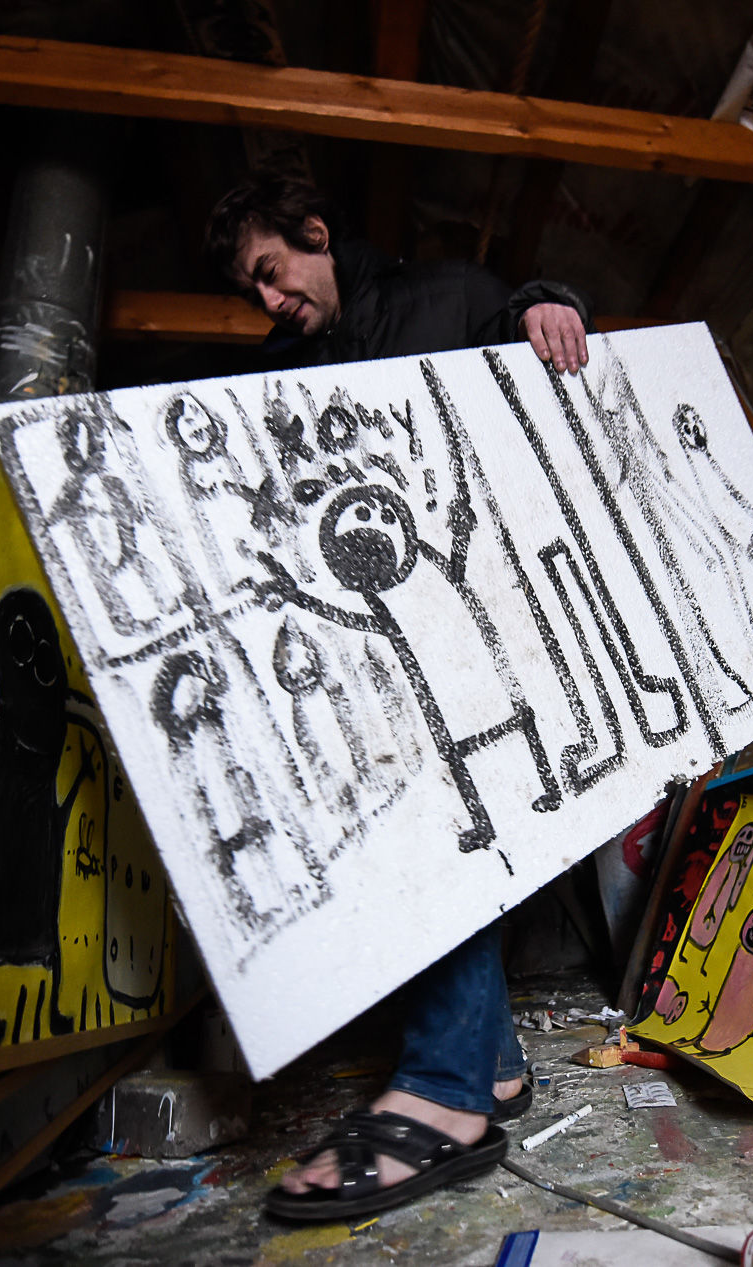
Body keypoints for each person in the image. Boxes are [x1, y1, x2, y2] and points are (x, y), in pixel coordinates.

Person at [203, 172, 592, 1221]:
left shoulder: (446, 295)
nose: (269, 300)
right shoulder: (276, 372)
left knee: (447, 832)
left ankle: (446, 1091)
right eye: (252, 290)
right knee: (412, 825)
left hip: (491, 625)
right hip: (367, 656)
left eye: (272, 272)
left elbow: (526, 333)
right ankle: (492, 1065)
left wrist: (549, 305)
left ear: (315, 232)